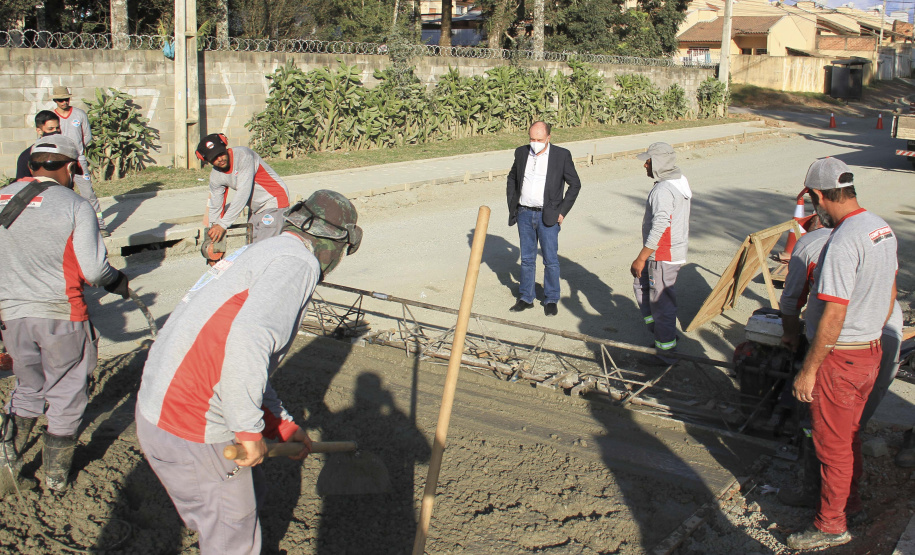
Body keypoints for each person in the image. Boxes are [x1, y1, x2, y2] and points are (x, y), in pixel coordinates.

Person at [135, 189, 363, 555]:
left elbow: (239, 349)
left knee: (242, 501)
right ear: (333, 246)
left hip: (160, 409)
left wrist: (281, 425)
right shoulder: (298, 264)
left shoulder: (263, 250)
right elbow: (247, 343)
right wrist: (246, 428)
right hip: (193, 423)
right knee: (231, 536)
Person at [0, 135, 129, 495]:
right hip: (61, 314)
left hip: (12, 317)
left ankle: (10, 458)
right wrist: (116, 281)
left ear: (30, 165)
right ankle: (56, 480)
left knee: (27, 386)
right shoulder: (75, 205)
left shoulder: (1, 198)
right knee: (67, 392)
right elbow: (93, 270)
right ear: (71, 167)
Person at [785, 158, 897, 551]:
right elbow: (890, 291)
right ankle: (853, 503)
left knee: (831, 445)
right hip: (869, 352)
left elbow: (833, 312)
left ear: (818, 196)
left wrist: (809, 370)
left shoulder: (844, 240)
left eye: (811, 203)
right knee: (848, 437)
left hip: (840, 360)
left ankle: (831, 525)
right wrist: (868, 331)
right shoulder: (879, 228)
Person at [779, 213, 904, 509]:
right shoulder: (871, 235)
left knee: (827, 434)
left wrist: (794, 339)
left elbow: (793, 302)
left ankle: (826, 509)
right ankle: (849, 499)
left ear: (813, 221)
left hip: (846, 345)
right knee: (851, 429)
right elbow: (892, 290)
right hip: (882, 334)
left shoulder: (813, 245)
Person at [505, 121, 581, 316]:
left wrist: (562, 211)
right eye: (532, 139)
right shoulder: (521, 153)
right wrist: (513, 204)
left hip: (548, 215)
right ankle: (525, 297)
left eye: (539, 139)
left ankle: (551, 298)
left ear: (548, 138)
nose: (535, 143)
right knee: (528, 259)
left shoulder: (561, 156)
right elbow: (512, 177)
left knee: (550, 259)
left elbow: (575, 184)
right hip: (524, 213)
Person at [630, 142, 692, 364]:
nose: (645, 165)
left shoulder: (663, 190)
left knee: (661, 303)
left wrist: (641, 257)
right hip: (666, 253)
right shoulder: (677, 181)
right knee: (642, 288)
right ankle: (663, 336)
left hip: (662, 255)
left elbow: (661, 225)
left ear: (658, 163)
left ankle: (665, 354)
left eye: (648, 161)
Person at [196, 134, 291, 256]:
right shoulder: (216, 176)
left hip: (274, 200)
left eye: (221, 153)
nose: (220, 159)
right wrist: (213, 237)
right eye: (214, 158)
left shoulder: (243, 155)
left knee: (264, 250)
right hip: (255, 208)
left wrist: (223, 225)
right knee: (251, 247)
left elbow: (243, 192)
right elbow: (216, 206)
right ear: (208, 161)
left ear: (225, 147)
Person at [50, 86, 108, 236]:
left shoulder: (79, 114)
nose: (64, 102)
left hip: (78, 160)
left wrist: (78, 151)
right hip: (60, 162)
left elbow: (86, 136)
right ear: (55, 100)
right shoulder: (51, 117)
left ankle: (100, 225)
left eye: (66, 99)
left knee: (89, 194)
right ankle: (67, 228)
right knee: (63, 195)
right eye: (61, 99)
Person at [15, 110, 60, 180]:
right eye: (50, 129)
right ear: (39, 131)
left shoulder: (65, 151)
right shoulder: (27, 156)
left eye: (57, 128)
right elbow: (21, 184)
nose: (56, 132)